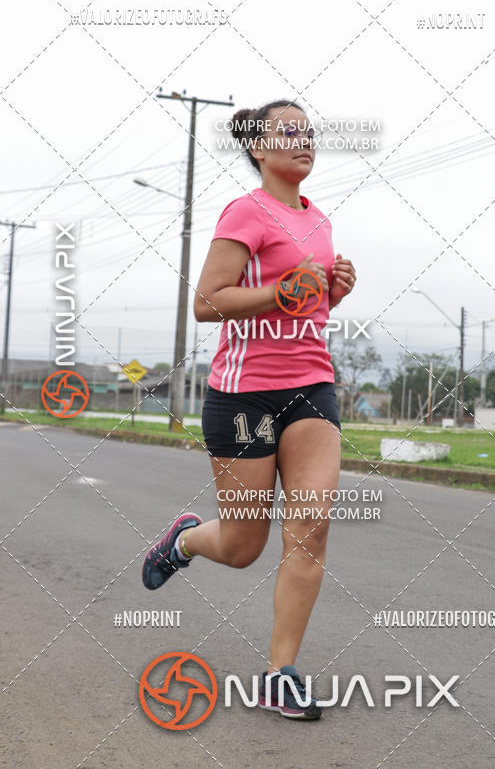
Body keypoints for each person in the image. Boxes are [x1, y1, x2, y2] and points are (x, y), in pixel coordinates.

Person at [142, 99, 356, 719]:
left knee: (311, 525)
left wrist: (332, 293)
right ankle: (184, 541)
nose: (304, 141)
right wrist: (281, 289)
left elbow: (303, 310)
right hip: (245, 394)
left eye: (309, 132)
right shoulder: (246, 211)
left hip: (311, 385)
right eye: (288, 132)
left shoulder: (320, 221)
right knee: (243, 546)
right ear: (259, 149)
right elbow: (208, 302)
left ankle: (279, 674)